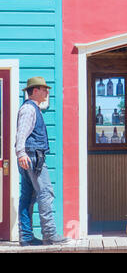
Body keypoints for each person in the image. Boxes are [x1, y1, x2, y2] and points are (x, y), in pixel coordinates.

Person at [15, 77, 70, 246]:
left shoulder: (32, 108)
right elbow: (21, 133)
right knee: (45, 193)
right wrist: (21, 153)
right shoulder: (29, 109)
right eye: (44, 89)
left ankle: (26, 237)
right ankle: (49, 234)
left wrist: (22, 154)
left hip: (29, 157)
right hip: (32, 157)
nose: (47, 92)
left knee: (27, 197)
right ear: (35, 91)